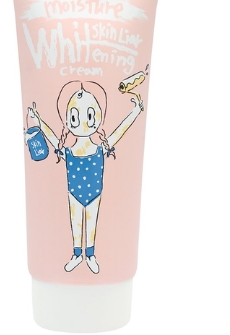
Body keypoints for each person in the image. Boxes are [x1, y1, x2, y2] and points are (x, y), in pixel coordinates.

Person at [27, 80, 143, 274]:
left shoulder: (100, 149)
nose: (82, 122)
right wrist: (38, 119)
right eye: (74, 116)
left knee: (91, 224)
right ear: (67, 120)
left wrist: (136, 111)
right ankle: (76, 255)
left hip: (94, 193)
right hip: (74, 193)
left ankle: (90, 255)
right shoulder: (68, 152)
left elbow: (119, 131)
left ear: (99, 117)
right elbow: (52, 137)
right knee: (76, 224)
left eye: (89, 115)